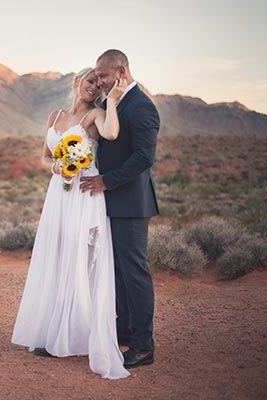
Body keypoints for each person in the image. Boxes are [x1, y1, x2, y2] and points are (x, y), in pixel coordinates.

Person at [11, 67, 130, 379]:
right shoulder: (55, 115)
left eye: (99, 85)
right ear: (77, 81)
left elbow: (111, 134)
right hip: (59, 194)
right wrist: (57, 169)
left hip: (83, 195)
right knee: (57, 256)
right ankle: (52, 330)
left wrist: (113, 100)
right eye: (90, 81)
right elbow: (44, 157)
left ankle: (72, 336)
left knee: (79, 260)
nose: (94, 88)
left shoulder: (95, 115)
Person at [80, 49, 160, 369]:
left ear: (121, 72)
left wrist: (105, 181)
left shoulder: (141, 107)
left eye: (103, 75)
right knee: (117, 272)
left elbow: (144, 158)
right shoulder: (112, 103)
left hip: (130, 205)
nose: (99, 81)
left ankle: (143, 345)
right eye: (96, 77)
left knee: (135, 273)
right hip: (110, 203)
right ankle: (124, 329)